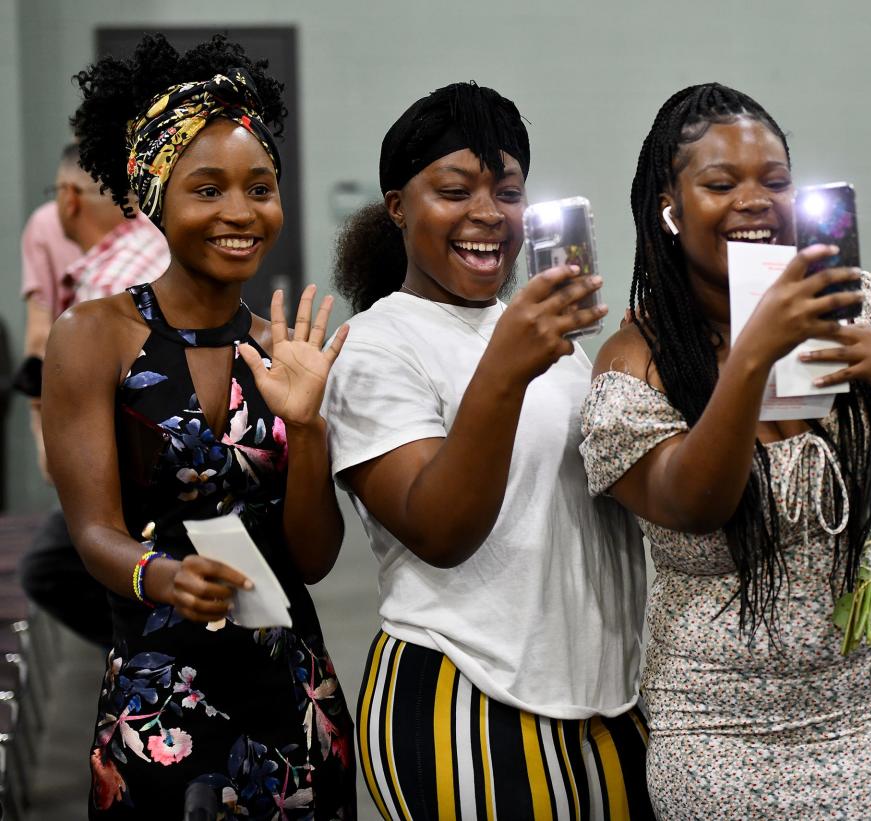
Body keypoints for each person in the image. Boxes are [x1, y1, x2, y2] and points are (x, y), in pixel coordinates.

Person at [580, 83, 871, 818]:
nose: (755, 199)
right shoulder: (634, 364)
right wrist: (754, 355)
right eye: (721, 183)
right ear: (670, 205)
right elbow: (694, 504)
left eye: (776, 181)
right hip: (729, 733)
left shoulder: (867, 305)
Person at [42, 34, 355, 818]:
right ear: (154, 197)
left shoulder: (279, 351)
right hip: (161, 705)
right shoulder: (95, 335)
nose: (241, 212)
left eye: (260, 186)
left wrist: (309, 426)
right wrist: (165, 575)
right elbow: (92, 531)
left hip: (292, 702)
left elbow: (314, 559)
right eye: (207, 188)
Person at [324, 82, 649, 820]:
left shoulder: (553, 343)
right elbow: (439, 529)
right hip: (467, 692)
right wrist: (505, 366)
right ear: (398, 206)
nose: (485, 213)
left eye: (506, 191)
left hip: (604, 700)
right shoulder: (378, 344)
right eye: (453, 188)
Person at [17, 143, 168, 649]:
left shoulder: (102, 286)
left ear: (68, 197)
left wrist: (46, 438)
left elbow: (43, 343)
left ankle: (154, 646)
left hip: (135, 462)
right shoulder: (153, 244)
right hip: (192, 443)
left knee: (51, 567)